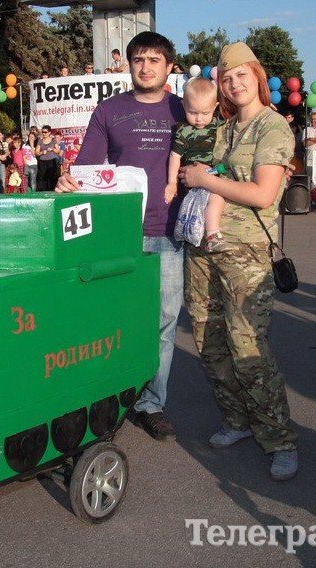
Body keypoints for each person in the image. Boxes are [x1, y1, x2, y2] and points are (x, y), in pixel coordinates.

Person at [55, 31, 186, 441]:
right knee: (110, 320)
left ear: (169, 67)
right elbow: (87, 167)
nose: (145, 67)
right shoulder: (108, 111)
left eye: (154, 60)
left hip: (168, 232)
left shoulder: (186, 110)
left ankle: (151, 403)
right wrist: (69, 182)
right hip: (119, 234)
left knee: (163, 322)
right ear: (128, 65)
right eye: (138, 60)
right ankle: (105, 397)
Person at [178, 42, 298, 481]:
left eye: (241, 74)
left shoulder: (274, 128)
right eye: (227, 77)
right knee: (209, 340)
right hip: (204, 248)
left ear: (257, 76)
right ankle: (237, 421)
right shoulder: (223, 129)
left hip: (248, 253)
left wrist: (206, 179)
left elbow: (264, 194)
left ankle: (280, 438)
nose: (234, 83)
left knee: (247, 345)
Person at [168, 77, 225, 251]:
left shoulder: (218, 124)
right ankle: (212, 234)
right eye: (193, 112)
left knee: (214, 199)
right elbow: (174, 156)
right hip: (194, 180)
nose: (199, 118)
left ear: (215, 107)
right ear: (184, 106)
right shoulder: (183, 130)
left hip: (214, 172)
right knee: (217, 198)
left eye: (205, 113)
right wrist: (171, 183)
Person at [35, 126, 60, 191]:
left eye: (45, 132)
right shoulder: (40, 141)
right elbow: (36, 153)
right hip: (42, 161)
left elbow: (58, 151)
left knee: (52, 178)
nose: (43, 133)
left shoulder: (53, 140)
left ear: (49, 132)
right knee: (42, 178)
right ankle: (42, 192)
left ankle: (52, 191)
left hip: (51, 161)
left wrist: (52, 149)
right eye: (42, 132)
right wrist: (42, 152)